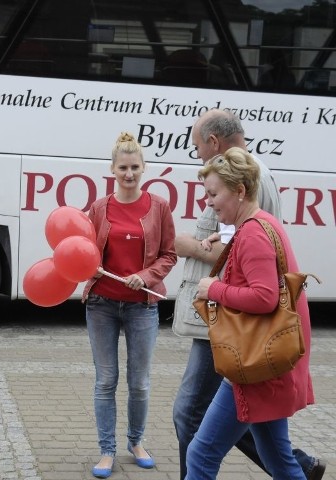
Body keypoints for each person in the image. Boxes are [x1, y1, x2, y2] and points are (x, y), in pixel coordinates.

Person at [171, 109, 325, 480]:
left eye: (213, 195)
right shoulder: (257, 224)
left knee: (201, 454)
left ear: (239, 191)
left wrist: (214, 288)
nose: (208, 202)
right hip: (266, 361)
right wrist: (222, 239)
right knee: (280, 461)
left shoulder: (254, 232)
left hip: (255, 364)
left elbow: (265, 297)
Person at [82, 132, 176, 478]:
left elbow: (168, 254)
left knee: (139, 382)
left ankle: (136, 442)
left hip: (142, 306)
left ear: (144, 168)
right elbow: (84, 249)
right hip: (102, 303)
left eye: (135, 167)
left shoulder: (159, 207)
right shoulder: (100, 207)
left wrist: (147, 276)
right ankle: (106, 450)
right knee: (106, 380)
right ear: (112, 169)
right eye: (123, 167)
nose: (129, 173)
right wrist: (87, 265)